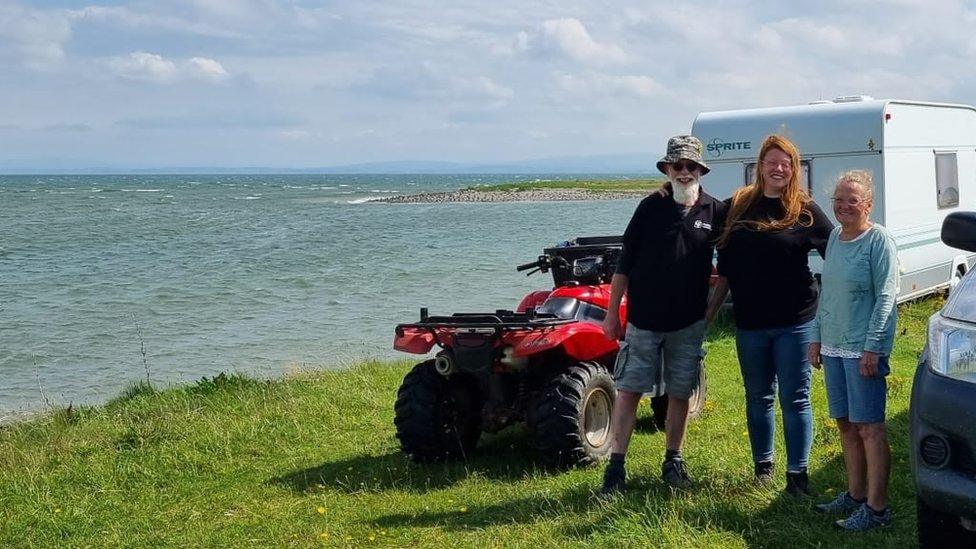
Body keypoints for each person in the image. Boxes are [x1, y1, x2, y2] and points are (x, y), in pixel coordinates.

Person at [706, 134, 833, 496]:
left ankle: (798, 475)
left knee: (795, 397)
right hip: (750, 323)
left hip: (796, 321)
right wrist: (710, 313)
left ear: (794, 169)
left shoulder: (804, 210)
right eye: (772, 161)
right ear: (759, 166)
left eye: (786, 163)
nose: (779, 168)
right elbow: (723, 266)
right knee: (757, 395)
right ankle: (763, 468)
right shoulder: (738, 207)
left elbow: (837, 255)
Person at [598, 135, 726, 496]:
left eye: (690, 167)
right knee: (628, 391)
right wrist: (612, 315)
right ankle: (616, 467)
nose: (684, 172)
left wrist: (711, 310)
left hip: (688, 323)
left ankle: (673, 460)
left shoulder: (714, 211)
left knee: (680, 392)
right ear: (667, 169)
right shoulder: (649, 208)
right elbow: (624, 264)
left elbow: (728, 267)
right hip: (643, 322)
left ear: (700, 170)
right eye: (677, 166)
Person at [809, 170, 897, 531]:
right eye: (839, 201)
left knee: (870, 428)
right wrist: (815, 337)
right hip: (833, 346)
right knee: (846, 425)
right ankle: (855, 494)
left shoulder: (879, 241)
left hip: (863, 350)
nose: (844, 207)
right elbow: (827, 291)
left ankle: (877, 509)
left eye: (853, 200)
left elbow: (887, 297)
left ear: (868, 205)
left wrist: (873, 347)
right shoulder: (833, 236)